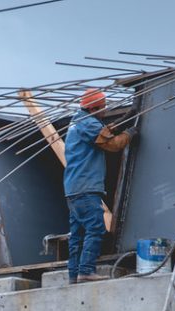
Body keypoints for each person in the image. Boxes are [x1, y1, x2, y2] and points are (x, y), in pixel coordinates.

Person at [63, 88, 137, 283]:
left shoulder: (78, 122)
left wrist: (126, 119)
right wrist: (130, 134)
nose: (105, 110)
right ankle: (86, 271)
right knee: (95, 228)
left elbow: (104, 132)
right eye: (103, 107)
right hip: (86, 188)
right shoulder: (88, 124)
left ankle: (73, 275)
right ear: (94, 108)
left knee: (77, 235)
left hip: (73, 189)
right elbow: (111, 144)